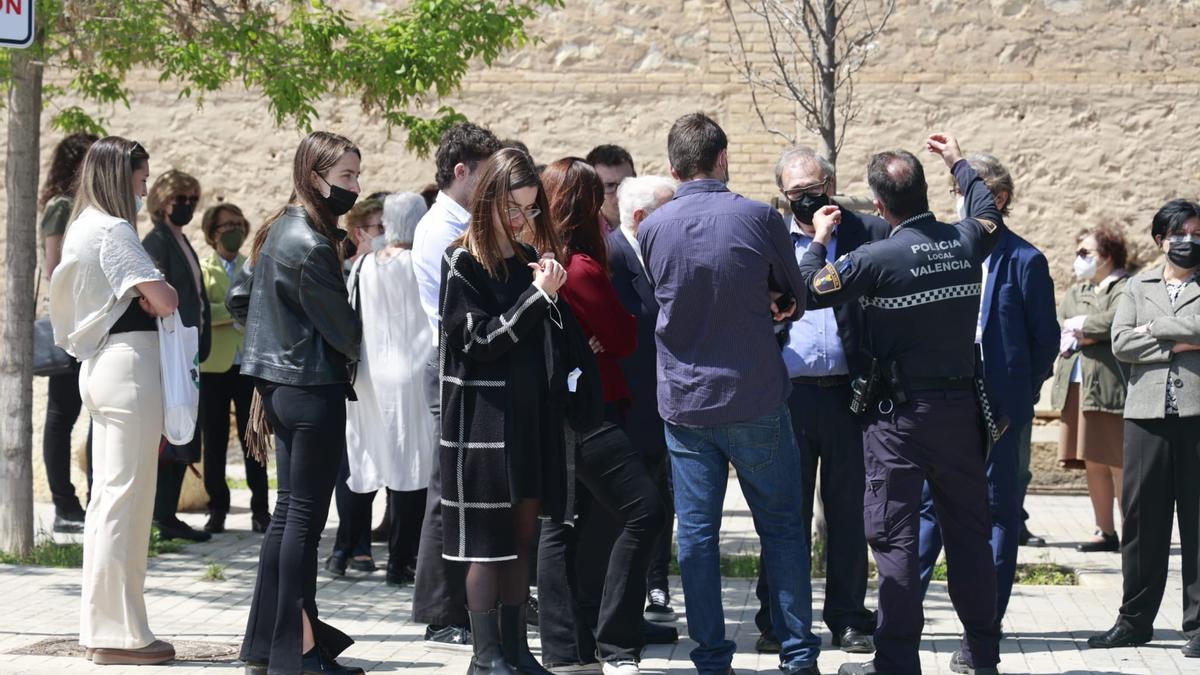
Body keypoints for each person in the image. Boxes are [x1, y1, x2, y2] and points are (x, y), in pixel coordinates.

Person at [796, 134, 1006, 675]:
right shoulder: (965, 241)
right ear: (925, 191)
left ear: (880, 205)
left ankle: (895, 663)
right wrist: (959, 161)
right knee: (970, 539)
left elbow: (808, 289)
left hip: (898, 423)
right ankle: (982, 656)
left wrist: (817, 239)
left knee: (895, 542)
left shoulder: (876, 257)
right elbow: (985, 208)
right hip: (961, 414)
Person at [638, 113, 820, 675]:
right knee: (783, 527)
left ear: (673, 166)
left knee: (695, 535)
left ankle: (712, 655)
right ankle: (796, 654)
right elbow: (796, 293)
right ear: (722, 158)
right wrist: (776, 300)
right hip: (754, 393)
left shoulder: (651, 227)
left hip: (686, 400)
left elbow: (662, 300)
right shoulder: (760, 216)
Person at [437, 147, 580, 675]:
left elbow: (548, 342)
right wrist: (537, 298)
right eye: (514, 208)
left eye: (530, 209)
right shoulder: (461, 260)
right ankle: (486, 654)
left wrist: (553, 294)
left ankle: (518, 650)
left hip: (529, 418)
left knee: (523, 538)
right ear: (490, 202)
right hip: (481, 421)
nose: (523, 219)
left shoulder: (527, 263)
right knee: (487, 545)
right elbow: (477, 340)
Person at [230, 130, 364, 675]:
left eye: (356, 174)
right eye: (347, 177)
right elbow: (346, 334)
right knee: (304, 521)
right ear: (315, 176)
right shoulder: (308, 244)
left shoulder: (282, 228)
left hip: (281, 388)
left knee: (290, 517)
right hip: (310, 389)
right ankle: (299, 650)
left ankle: (267, 647)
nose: (355, 187)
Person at [916, 153, 1059, 648]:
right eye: (956, 193)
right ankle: (901, 621)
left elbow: (1045, 341)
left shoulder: (1027, 260)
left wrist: (1021, 392)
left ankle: (983, 633)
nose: (957, 202)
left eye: (966, 192)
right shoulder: (944, 252)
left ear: (997, 200)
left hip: (1003, 409)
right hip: (946, 404)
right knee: (929, 508)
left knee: (998, 515)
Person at [49, 136, 179, 666]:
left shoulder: (81, 226)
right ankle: (120, 636)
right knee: (126, 502)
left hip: (102, 366)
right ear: (121, 176)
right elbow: (165, 300)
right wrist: (155, 294)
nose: (146, 187)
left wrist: (147, 296)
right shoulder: (113, 229)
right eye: (142, 177)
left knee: (109, 502)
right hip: (128, 369)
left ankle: (105, 628)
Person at [754, 147, 889, 656]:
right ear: (784, 197)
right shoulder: (769, 242)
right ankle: (779, 621)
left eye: (815, 189)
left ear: (830, 186)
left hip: (850, 395)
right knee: (782, 512)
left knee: (850, 515)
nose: (808, 200)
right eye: (796, 194)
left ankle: (850, 618)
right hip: (786, 397)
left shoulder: (866, 235)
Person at [536, 158, 667, 675]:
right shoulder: (581, 266)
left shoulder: (545, 257)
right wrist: (594, 343)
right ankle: (609, 641)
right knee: (642, 511)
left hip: (565, 408)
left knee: (570, 526)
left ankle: (573, 647)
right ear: (586, 205)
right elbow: (624, 337)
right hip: (591, 408)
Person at [1089, 199, 1200, 659]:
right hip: (1145, 418)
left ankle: (1197, 626)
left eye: (1196, 233)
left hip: (1196, 417)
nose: (1188, 242)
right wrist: (1183, 339)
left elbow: (1144, 337)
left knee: (1197, 524)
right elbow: (1122, 342)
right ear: (1160, 239)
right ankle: (1134, 621)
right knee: (1140, 523)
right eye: (1179, 234)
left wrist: (1155, 330)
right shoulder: (1138, 286)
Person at [410, 121, 501, 648]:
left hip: (462, 365)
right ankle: (441, 611)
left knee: (463, 488)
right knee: (447, 492)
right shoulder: (444, 229)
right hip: (450, 366)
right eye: (485, 176)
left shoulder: (460, 220)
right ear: (460, 171)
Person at [344, 192, 436, 587]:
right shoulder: (419, 263)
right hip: (413, 374)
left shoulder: (364, 264)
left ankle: (386, 556)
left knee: (385, 457)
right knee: (413, 466)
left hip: (371, 376)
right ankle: (402, 560)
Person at [608, 175, 679, 626]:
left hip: (660, 405)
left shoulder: (656, 253)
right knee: (632, 512)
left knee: (658, 504)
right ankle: (623, 612)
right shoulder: (614, 257)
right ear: (640, 219)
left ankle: (647, 594)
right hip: (629, 408)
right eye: (669, 213)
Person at [143, 169, 213, 543]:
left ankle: (166, 516)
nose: (185, 206)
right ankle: (162, 517)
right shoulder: (156, 242)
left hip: (188, 352)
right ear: (162, 202)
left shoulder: (181, 240)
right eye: (178, 200)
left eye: (190, 200)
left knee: (184, 436)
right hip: (171, 353)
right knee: (171, 439)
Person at [1050, 226, 1130, 553]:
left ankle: (1135, 532)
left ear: (1107, 256)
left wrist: (1083, 327)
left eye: (1087, 253)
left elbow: (1116, 322)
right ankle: (1105, 531)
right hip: (1078, 385)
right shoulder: (1077, 290)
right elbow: (1062, 320)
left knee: (1119, 462)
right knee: (1093, 461)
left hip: (1110, 388)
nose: (1079, 259)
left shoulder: (1127, 287)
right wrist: (1088, 329)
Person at [198, 202, 271, 534]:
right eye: (227, 225)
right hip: (214, 366)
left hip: (247, 365)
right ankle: (218, 508)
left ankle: (260, 510)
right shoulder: (203, 268)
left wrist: (231, 311)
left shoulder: (251, 265)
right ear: (213, 233)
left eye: (239, 223)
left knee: (253, 439)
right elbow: (203, 314)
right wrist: (235, 309)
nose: (235, 230)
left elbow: (263, 307)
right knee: (213, 443)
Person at [39, 131, 98, 534]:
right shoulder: (61, 206)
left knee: (95, 413)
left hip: (89, 323)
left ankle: (95, 498)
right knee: (62, 418)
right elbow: (54, 269)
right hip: (69, 325)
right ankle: (64, 504)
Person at [328, 198, 386, 576]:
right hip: (348, 378)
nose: (386, 237)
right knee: (351, 463)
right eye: (380, 229)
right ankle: (350, 545)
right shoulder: (343, 268)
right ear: (359, 232)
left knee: (371, 460)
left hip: (378, 377)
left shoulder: (388, 270)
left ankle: (351, 546)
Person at [586, 145, 636, 233]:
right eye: (610, 185)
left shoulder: (653, 222)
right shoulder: (584, 233)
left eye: (627, 182)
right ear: (592, 189)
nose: (621, 193)